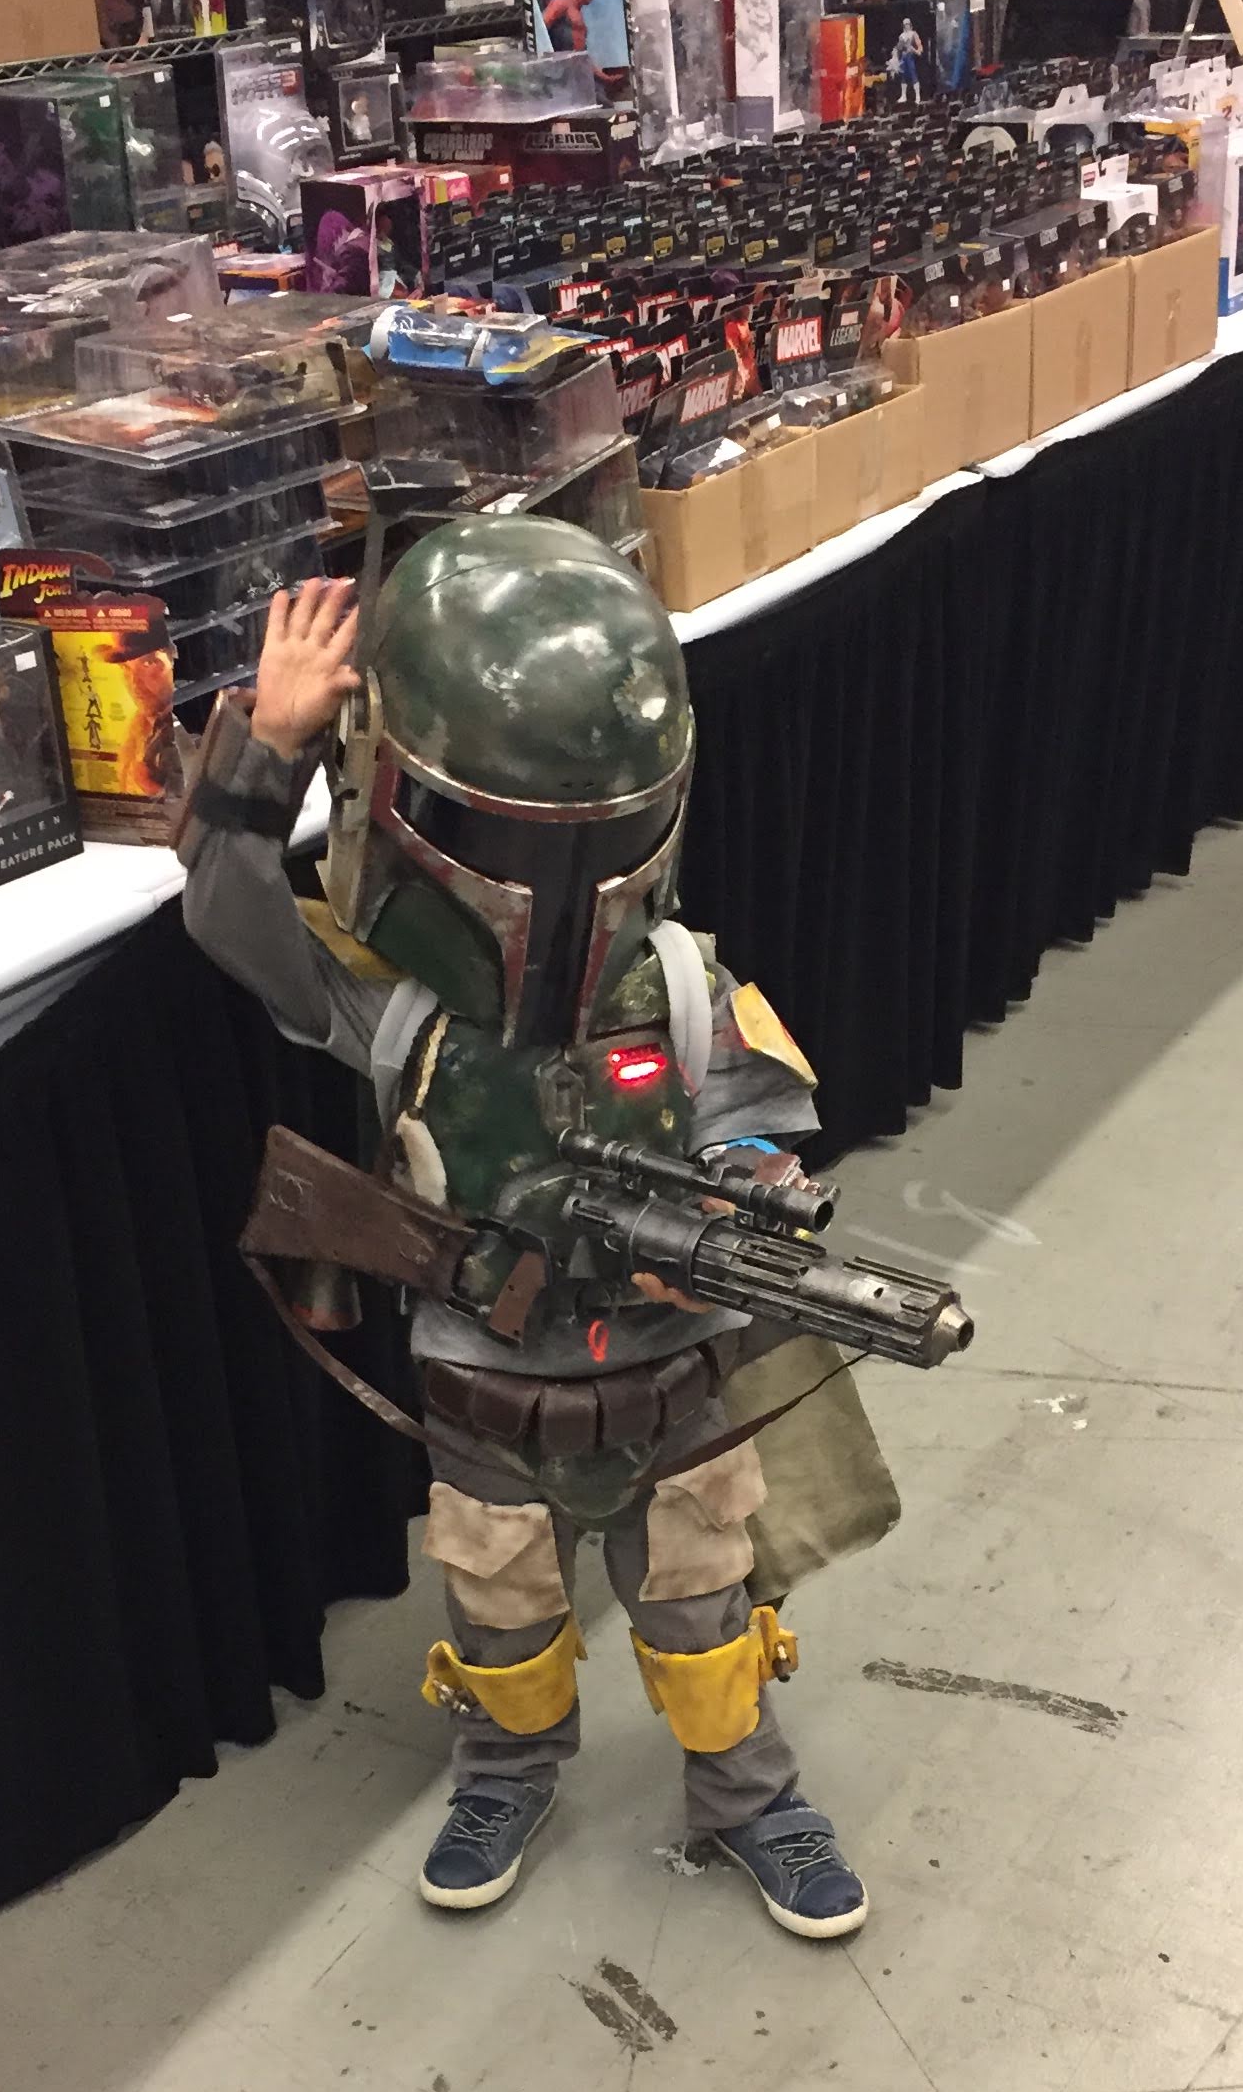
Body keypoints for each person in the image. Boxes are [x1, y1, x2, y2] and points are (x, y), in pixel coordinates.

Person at [181, 532, 880, 1943]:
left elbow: (762, 1130)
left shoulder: (682, 987)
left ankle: (749, 1797)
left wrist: (732, 1194)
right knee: (499, 1603)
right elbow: (232, 912)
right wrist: (269, 749)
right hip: (483, 1375)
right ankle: (504, 1777)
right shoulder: (402, 1009)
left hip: (673, 1373)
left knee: (703, 1605)